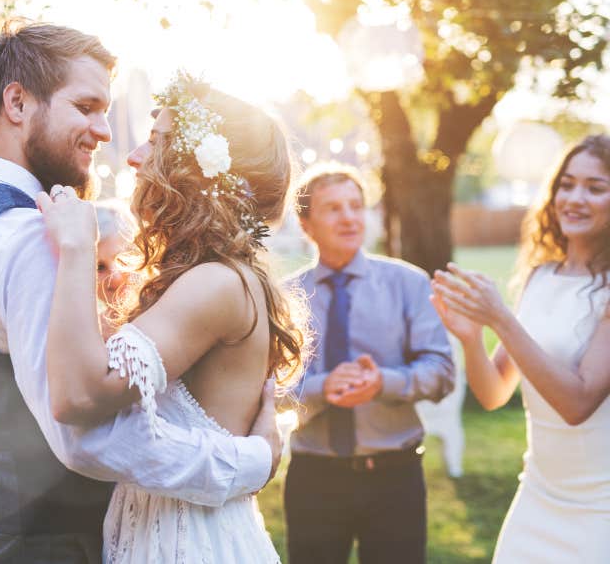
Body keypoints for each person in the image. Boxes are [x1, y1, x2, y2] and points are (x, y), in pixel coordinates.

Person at [0, 21, 282, 563]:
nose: (105, 131)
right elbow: (82, 437)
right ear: (16, 102)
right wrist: (253, 461)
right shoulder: (39, 234)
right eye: (86, 106)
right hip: (48, 545)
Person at [38, 74, 306, 562]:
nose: (134, 156)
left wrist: (78, 251)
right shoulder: (213, 277)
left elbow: (78, 397)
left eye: (158, 143)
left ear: (203, 170)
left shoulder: (218, 283)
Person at [430, 134, 610, 563]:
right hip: (536, 497)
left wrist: (501, 319)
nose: (574, 198)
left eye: (595, 187)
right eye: (565, 184)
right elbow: (493, 394)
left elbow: (578, 402)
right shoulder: (540, 277)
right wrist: (472, 338)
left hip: (599, 510)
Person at [284, 163, 455, 564]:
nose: (349, 217)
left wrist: (384, 383)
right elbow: (262, 388)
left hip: (395, 477)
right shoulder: (284, 296)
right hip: (314, 478)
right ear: (306, 223)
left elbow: (442, 372)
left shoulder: (409, 284)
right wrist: (321, 387)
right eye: (333, 208)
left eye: (356, 206)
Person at [93, 200, 137, 336]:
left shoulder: (166, 307)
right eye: (99, 267)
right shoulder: (92, 334)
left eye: (122, 260)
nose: (116, 278)